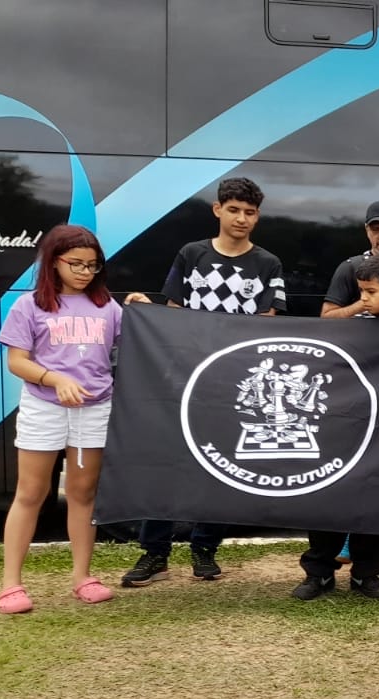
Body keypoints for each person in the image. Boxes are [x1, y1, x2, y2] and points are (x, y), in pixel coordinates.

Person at [121, 177, 284, 586]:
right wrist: (145, 310)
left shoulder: (268, 263)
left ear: (257, 216)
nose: (242, 218)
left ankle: (205, 549)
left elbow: (267, 324)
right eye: (234, 210)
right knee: (167, 463)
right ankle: (154, 552)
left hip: (231, 378)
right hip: (184, 375)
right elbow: (173, 311)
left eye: (249, 212)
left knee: (220, 464)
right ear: (217, 210)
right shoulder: (192, 254)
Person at [0, 225, 123, 614]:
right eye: (76, 264)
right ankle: (11, 585)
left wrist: (143, 307)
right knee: (31, 494)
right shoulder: (29, 306)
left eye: (93, 265)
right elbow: (17, 362)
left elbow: (134, 348)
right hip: (43, 407)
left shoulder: (109, 308)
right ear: (53, 262)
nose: (85, 272)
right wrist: (55, 379)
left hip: (95, 409)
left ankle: (83, 577)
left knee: (83, 495)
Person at [292, 255, 379, 601]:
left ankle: (367, 573)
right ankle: (319, 572)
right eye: (360, 291)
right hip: (340, 430)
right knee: (326, 498)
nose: (365, 299)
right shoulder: (349, 325)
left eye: (371, 292)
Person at [320, 199, 379, 318]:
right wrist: (365, 302)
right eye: (376, 230)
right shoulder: (351, 267)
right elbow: (327, 317)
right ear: (366, 229)